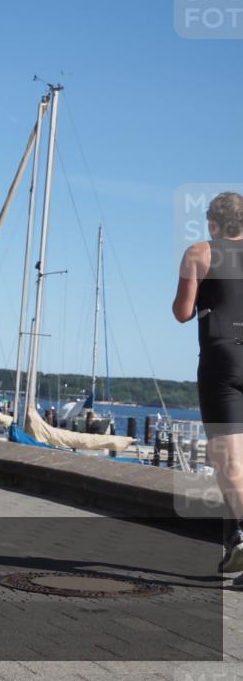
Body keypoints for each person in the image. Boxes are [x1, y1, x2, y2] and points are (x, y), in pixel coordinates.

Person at [172, 191, 243, 581]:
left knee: (229, 460)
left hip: (222, 358)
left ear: (213, 223)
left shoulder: (200, 253)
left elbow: (182, 312)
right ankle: (236, 539)